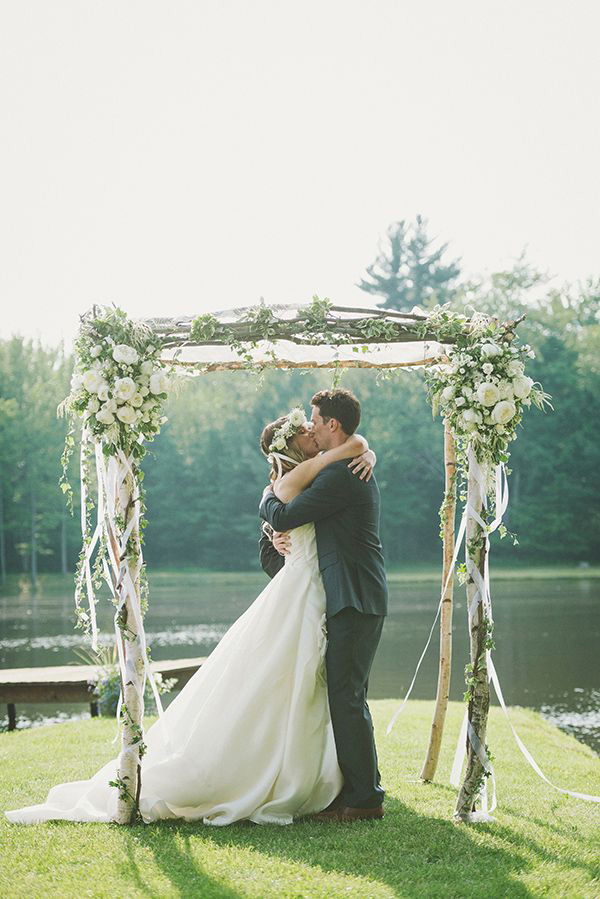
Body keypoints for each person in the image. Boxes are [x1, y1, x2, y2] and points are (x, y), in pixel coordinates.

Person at [4, 403, 376, 827]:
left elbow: (334, 469)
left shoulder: (331, 470)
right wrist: (345, 455)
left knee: (314, 689)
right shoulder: (303, 476)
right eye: (307, 433)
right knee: (282, 684)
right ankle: (277, 777)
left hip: (318, 593)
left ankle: (332, 781)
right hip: (301, 593)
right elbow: (286, 508)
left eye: (315, 428)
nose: (313, 432)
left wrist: (362, 449)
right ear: (293, 446)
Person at [260, 389, 388, 822]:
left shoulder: (340, 476)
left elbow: (281, 514)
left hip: (353, 596)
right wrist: (362, 446)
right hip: (351, 595)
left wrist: (266, 498)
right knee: (347, 695)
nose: (310, 426)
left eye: (315, 419)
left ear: (333, 424)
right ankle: (355, 788)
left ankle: (365, 801)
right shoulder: (341, 467)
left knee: (347, 697)